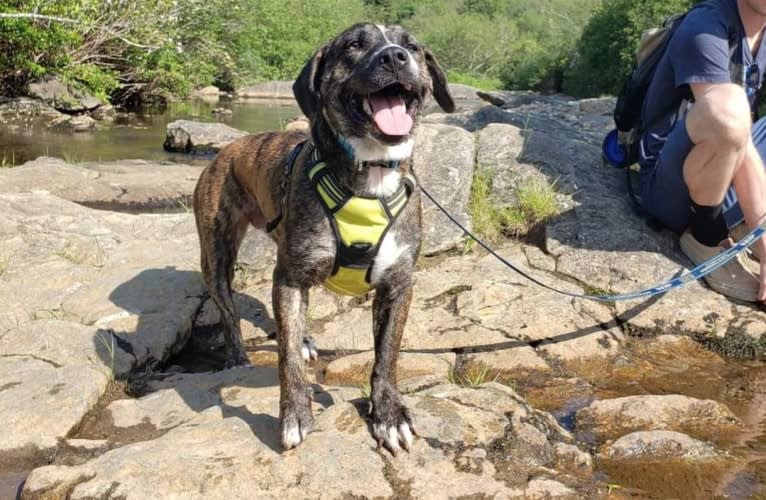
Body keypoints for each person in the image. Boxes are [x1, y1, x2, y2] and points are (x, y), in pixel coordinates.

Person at [639, 0, 766, 302]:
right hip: (668, 184)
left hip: (723, 162)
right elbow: (731, 124)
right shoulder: (705, 26)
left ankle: (740, 224)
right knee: (729, 107)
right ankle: (704, 237)